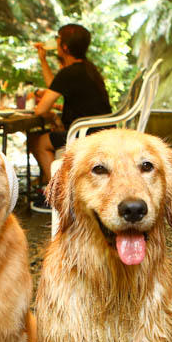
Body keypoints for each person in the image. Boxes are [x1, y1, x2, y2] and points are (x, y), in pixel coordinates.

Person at [29, 23, 112, 212]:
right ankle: (52, 188)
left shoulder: (70, 72)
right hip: (100, 131)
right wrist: (43, 60)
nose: (56, 42)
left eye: (58, 39)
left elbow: (40, 110)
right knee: (49, 133)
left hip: (88, 135)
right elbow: (56, 87)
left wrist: (47, 110)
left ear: (64, 47)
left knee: (38, 143)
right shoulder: (85, 69)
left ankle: (59, 196)